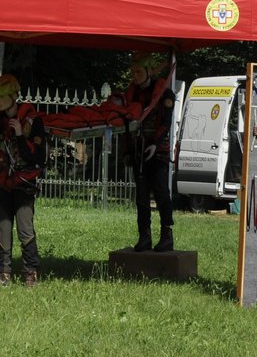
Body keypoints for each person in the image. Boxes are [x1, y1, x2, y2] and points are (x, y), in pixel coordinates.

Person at [48, 51, 178, 252]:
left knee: (161, 192)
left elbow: (166, 123)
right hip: (138, 150)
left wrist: (156, 143)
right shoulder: (131, 95)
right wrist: (127, 151)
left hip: (157, 150)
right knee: (141, 197)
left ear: (149, 70)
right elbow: (126, 124)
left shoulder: (164, 94)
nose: (134, 75)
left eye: (138, 71)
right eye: (132, 72)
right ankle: (144, 236)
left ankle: (166, 235)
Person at [0, 73, 46, 287]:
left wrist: (18, 135)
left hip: (24, 185)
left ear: (14, 96)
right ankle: (2, 273)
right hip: (5, 183)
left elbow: (38, 158)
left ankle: (30, 273)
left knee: (25, 227)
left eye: (2, 96)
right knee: (3, 227)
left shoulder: (33, 121)